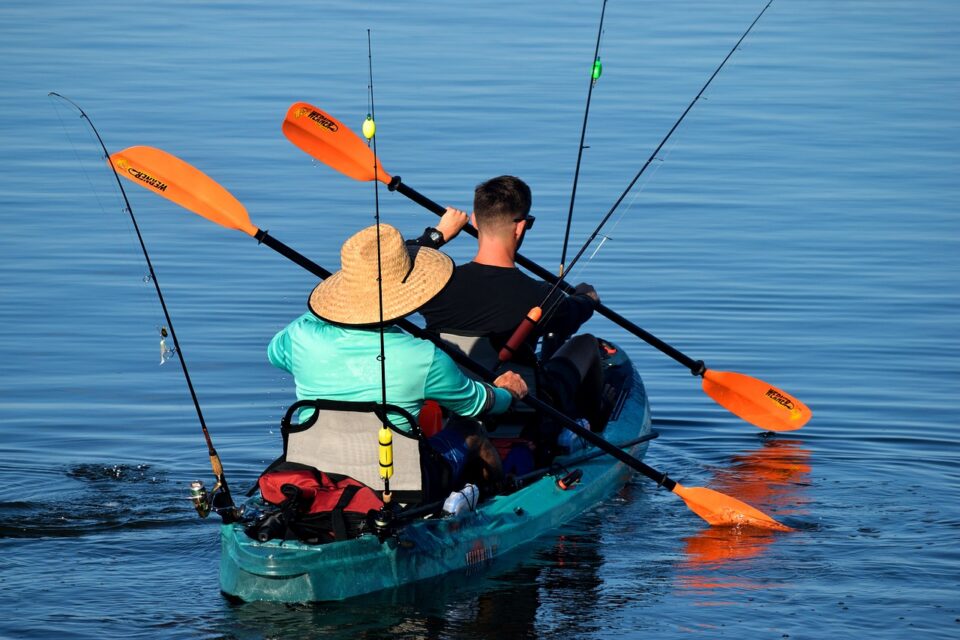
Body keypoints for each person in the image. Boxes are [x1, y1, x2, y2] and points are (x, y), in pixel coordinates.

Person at [267, 223, 527, 499]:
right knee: (469, 429)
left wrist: (334, 302)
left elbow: (275, 353)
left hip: (316, 477)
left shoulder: (300, 335)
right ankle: (492, 505)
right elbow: (475, 405)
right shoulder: (424, 356)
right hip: (397, 487)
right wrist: (507, 394)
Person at [413, 176, 610, 446]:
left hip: (452, 407)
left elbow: (392, 268)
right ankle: (595, 430)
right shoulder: (542, 296)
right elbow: (578, 311)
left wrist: (438, 234)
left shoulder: (434, 285)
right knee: (587, 344)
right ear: (521, 227)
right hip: (524, 415)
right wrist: (587, 297)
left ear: (473, 219)